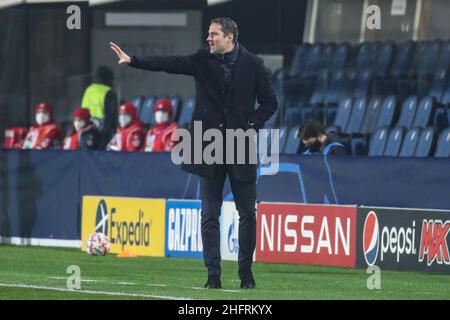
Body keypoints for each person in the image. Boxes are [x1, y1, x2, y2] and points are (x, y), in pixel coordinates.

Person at [110, 17, 278, 289]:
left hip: (241, 146)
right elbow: (172, 64)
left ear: (230, 37)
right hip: (207, 147)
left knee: (248, 213)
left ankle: (246, 274)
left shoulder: (254, 65)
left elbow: (270, 103)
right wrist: (134, 60)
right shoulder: (202, 59)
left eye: (213, 34)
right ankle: (213, 275)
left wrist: (252, 124)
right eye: (209, 34)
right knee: (209, 213)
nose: (208, 38)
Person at [81, 65, 118, 148]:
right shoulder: (109, 92)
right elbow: (111, 116)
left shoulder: (89, 90)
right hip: (101, 132)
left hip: (86, 130)